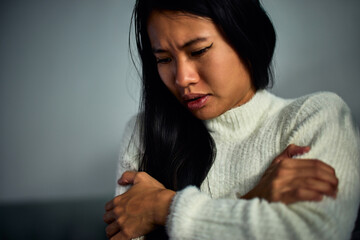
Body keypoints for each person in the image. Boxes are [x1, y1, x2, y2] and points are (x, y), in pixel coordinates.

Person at [103, 0, 360, 239]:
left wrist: (163, 208)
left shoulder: (315, 116)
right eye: (164, 59)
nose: (182, 79)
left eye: (198, 51)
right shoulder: (143, 132)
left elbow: (313, 231)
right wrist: (253, 198)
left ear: (246, 38)